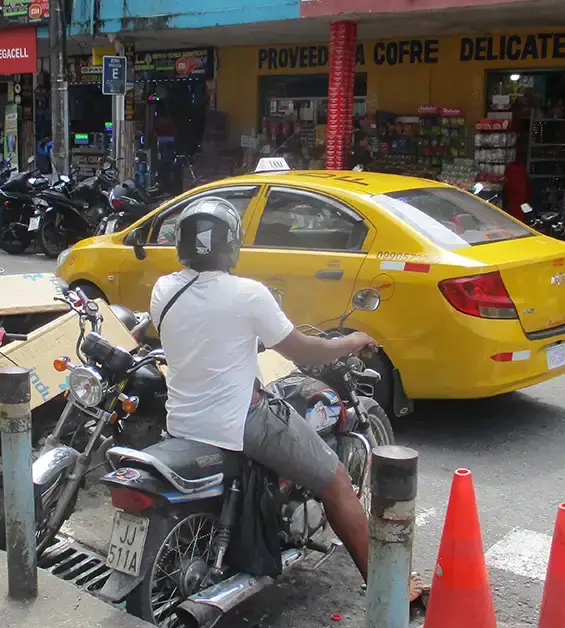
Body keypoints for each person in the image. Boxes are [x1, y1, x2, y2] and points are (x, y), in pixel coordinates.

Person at [150, 197, 422, 601]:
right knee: (337, 482)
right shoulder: (248, 294)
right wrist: (351, 341)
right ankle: (392, 588)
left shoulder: (163, 289)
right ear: (232, 245)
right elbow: (302, 351)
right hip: (241, 421)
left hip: (183, 422)